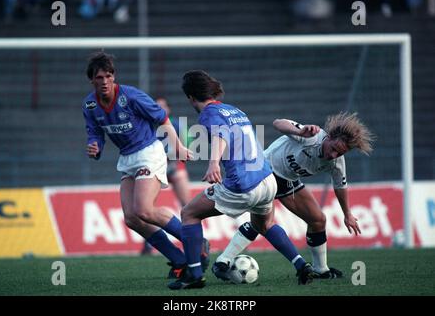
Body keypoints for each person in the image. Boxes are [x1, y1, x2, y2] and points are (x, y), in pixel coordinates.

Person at [168, 70, 316, 290]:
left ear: (190, 97)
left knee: (189, 213)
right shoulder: (234, 110)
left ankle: (194, 275)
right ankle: (301, 265)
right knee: (264, 225)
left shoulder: (209, 113)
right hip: (267, 179)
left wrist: (213, 163)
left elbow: (221, 135)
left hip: (244, 185)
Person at [82, 52, 209, 279]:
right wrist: (95, 146)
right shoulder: (90, 104)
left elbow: (162, 118)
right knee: (132, 218)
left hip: (148, 153)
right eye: (99, 77)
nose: (104, 82)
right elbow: (95, 132)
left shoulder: (131, 96)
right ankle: (179, 258)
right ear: (91, 80)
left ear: (114, 76)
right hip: (127, 158)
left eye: (108, 76)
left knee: (144, 209)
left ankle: (195, 241)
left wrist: (178, 146)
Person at [212, 112, 374, 280]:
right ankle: (223, 260)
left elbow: (340, 186)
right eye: (333, 149)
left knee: (318, 220)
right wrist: (299, 131)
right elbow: (278, 122)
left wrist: (347, 214)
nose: (333, 155)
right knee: (262, 224)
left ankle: (320, 269)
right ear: (330, 137)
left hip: (288, 181)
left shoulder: (336, 163)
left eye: (339, 153)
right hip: (264, 172)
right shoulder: (312, 136)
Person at [141, 97, 192, 256]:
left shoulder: (177, 124)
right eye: (156, 106)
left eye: (163, 106)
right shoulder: (147, 126)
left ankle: (195, 239)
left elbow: (186, 145)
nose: (160, 108)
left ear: (168, 109)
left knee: (188, 207)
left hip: (174, 168)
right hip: (155, 168)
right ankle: (148, 245)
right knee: (146, 208)